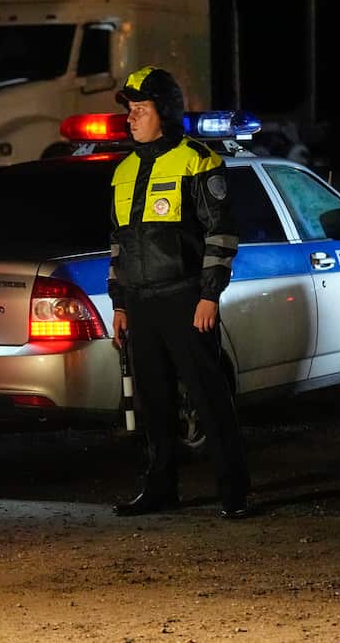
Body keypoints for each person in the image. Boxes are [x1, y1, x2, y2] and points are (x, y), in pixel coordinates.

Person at [107, 65, 251, 519]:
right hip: (143, 303)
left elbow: (221, 233)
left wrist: (210, 295)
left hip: (187, 298)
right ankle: (160, 488)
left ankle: (234, 493)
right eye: (130, 110)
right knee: (154, 405)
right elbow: (118, 244)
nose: (132, 118)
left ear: (164, 113)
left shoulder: (198, 160)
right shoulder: (123, 170)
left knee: (209, 399)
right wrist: (120, 303)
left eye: (141, 109)